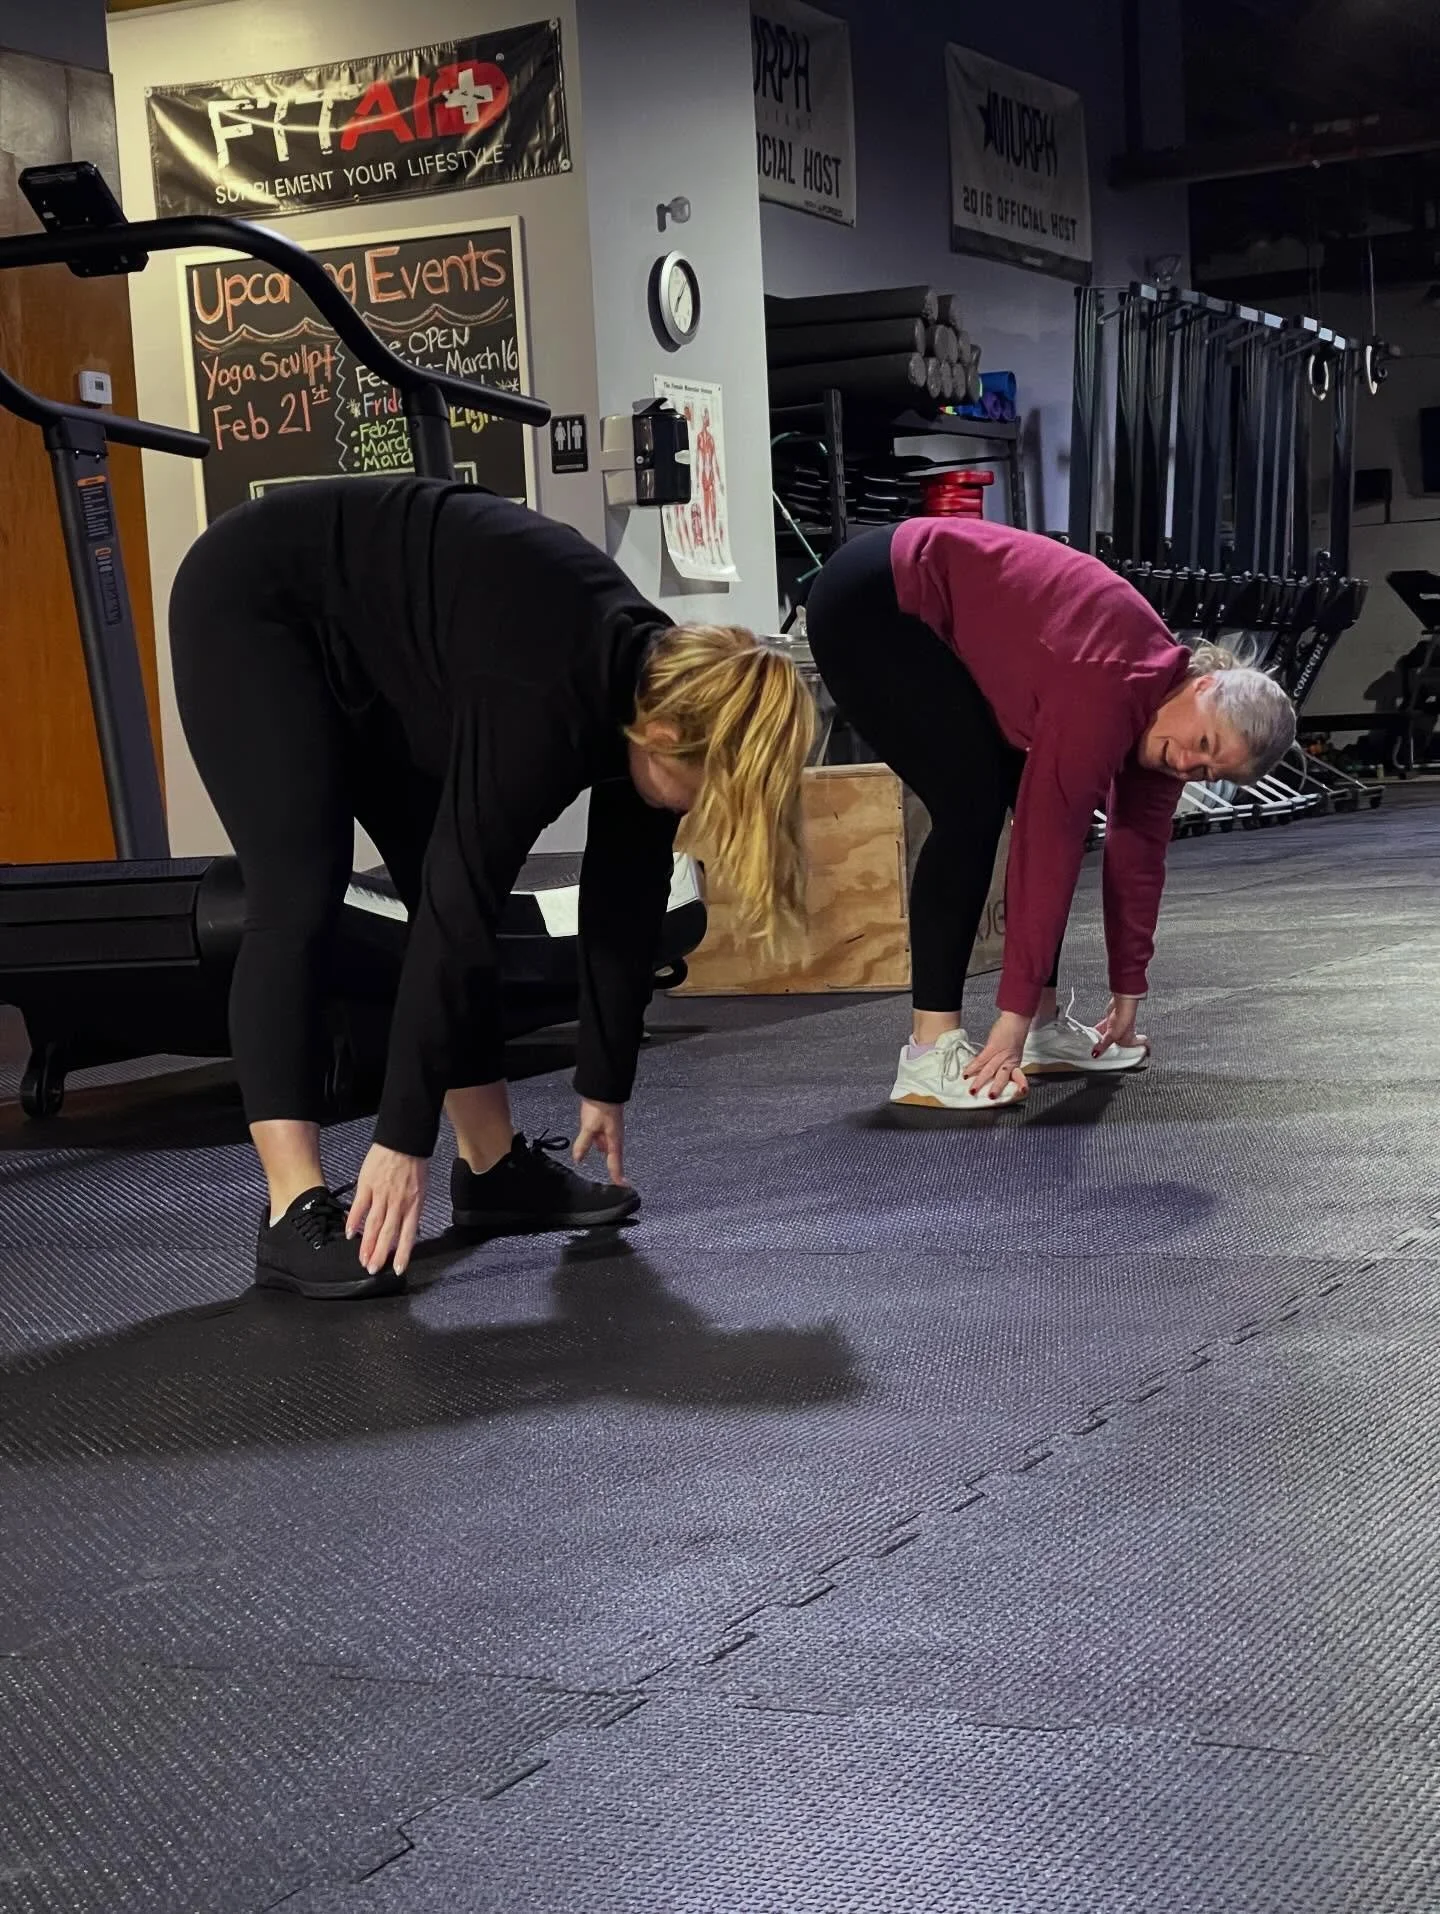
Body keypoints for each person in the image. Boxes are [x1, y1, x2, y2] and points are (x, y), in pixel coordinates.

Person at [171, 476, 814, 1300]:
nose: (705, 817)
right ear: (658, 740)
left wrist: (604, 1084)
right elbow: (454, 912)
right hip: (257, 603)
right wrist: (400, 1143)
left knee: (439, 879)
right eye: (708, 792)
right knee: (301, 892)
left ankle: (492, 1171)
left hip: (389, 653)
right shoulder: (545, 700)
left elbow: (624, 901)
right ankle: (290, 1212)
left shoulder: (664, 687)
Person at [804, 517, 1296, 1111]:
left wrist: (1127, 991)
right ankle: (928, 1053)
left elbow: (1137, 855)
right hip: (877, 598)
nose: (1191, 765)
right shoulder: (1111, 686)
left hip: (940, 619)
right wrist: (1002, 1028)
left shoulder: (1164, 729)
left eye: (1209, 773)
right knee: (972, 806)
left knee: (1017, 794)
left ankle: (1042, 1027)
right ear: (1202, 686)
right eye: (1206, 746)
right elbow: (1048, 844)